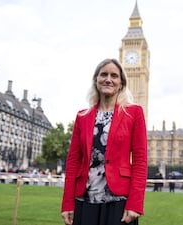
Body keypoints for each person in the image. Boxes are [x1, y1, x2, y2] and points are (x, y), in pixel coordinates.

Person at [61, 58, 148, 225]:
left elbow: (140, 160)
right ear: (96, 80)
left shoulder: (134, 113)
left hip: (118, 201)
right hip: (84, 199)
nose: (108, 79)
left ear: (121, 83)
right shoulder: (82, 116)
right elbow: (73, 161)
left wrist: (135, 203)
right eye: (104, 75)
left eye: (114, 76)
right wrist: (67, 203)